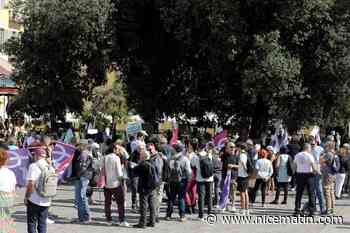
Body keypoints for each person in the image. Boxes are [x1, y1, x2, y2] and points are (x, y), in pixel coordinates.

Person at [25, 147, 55, 233]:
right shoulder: (50, 167)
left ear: (37, 156)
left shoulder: (33, 166)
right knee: (42, 223)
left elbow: (31, 184)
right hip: (46, 199)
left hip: (34, 199)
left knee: (32, 222)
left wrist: (26, 197)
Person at [102, 144, 129, 227]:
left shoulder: (104, 157)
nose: (118, 150)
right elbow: (119, 172)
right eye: (117, 148)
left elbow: (100, 168)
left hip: (106, 183)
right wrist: (123, 181)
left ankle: (108, 219)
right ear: (113, 149)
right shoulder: (116, 158)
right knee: (120, 203)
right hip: (116, 183)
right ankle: (121, 220)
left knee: (107, 202)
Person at [166, 143, 192, 222]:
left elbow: (168, 169)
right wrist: (189, 179)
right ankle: (182, 216)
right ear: (182, 149)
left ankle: (168, 215)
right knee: (181, 198)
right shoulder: (184, 159)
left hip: (172, 180)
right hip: (182, 180)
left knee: (171, 198)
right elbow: (188, 171)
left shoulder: (170, 158)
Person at [132, 150, 157, 228]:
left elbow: (134, 171)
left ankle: (142, 223)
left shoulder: (143, 164)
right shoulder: (153, 162)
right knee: (152, 205)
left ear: (143, 157)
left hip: (144, 187)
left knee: (143, 206)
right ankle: (152, 221)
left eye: (140, 155)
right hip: (152, 187)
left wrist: (133, 165)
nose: (139, 156)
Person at [293, 143, 317, 216]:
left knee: (299, 193)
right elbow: (314, 167)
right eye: (310, 149)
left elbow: (294, 166)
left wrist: (295, 174)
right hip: (309, 175)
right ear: (308, 148)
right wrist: (315, 172)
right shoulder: (310, 156)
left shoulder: (297, 155)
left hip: (299, 174)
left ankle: (297, 210)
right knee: (311, 193)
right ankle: (312, 211)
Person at [191, 145, 213, 221]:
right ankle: (210, 213)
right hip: (209, 178)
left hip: (200, 179)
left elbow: (192, 165)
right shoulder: (209, 154)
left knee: (201, 197)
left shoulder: (195, 156)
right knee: (209, 196)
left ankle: (201, 216)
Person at [73, 140, 93, 223]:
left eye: (79, 145)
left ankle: (86, 216)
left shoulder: (84, 153)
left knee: (82, 196)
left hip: (83, 176)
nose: (77, 146)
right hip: (81, 176)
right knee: (79, 197)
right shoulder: (82, 153)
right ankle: (81, 217)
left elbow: (83, 166)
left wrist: (78, 174)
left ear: (83, 145)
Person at [147, 143, 165, 223]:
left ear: (154, 148)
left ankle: (155, 215)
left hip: (158, 181)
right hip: (154, 181)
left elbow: (159, 170)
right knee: (155, 199)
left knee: (157, 198)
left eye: (150, 149)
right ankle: (155, 215)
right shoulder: (151, 157)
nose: (149, 151)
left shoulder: (157, 157)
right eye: (148, 149)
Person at [320, 141, 340, 215]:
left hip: (327, 175)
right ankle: (332, 209)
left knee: (327, 192)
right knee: (331, 191)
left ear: (329, 146)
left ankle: (328, 209)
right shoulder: (335, 154)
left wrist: (322, 155)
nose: (325, 147)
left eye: (326, 146)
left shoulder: (328, 154)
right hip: (333, 174)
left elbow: (321, 161)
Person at [0, 148, 16, 233]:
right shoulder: (10, 173)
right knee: (6, 221)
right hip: (9, 198)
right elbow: (13, 188)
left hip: (1, 198)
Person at [220, 142, 239, 212]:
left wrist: (232, 166)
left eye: (233, 147)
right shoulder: (224, 156)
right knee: (224, 192)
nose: (232, 148)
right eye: (230, 147)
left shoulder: (236, 156)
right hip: (224, 176)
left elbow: (239, 166)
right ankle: (225, 205)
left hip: (233, 177)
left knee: (233, 192)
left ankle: (233, 206)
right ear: (227, 148)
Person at [309, 139, 326, 214]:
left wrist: (321, 169)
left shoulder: (320, 149)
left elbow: (322, 160)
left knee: (319, 190)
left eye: (313, 144)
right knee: (312, 191)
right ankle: (313, 208)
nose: (312, 145)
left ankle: (322, 208)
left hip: (318, 171)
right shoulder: (308, 149)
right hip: (310, 172)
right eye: (311, 144)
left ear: (316, 143)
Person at [236, 143, 250, 215]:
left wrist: (246, 171)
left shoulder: (242, 155)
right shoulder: (246, 154)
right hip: (246, 176)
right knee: (246, 193)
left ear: (240, 148)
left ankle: (242, 210)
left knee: (242, 193)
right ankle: (247, 209)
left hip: (242, 176)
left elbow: (244, 164)